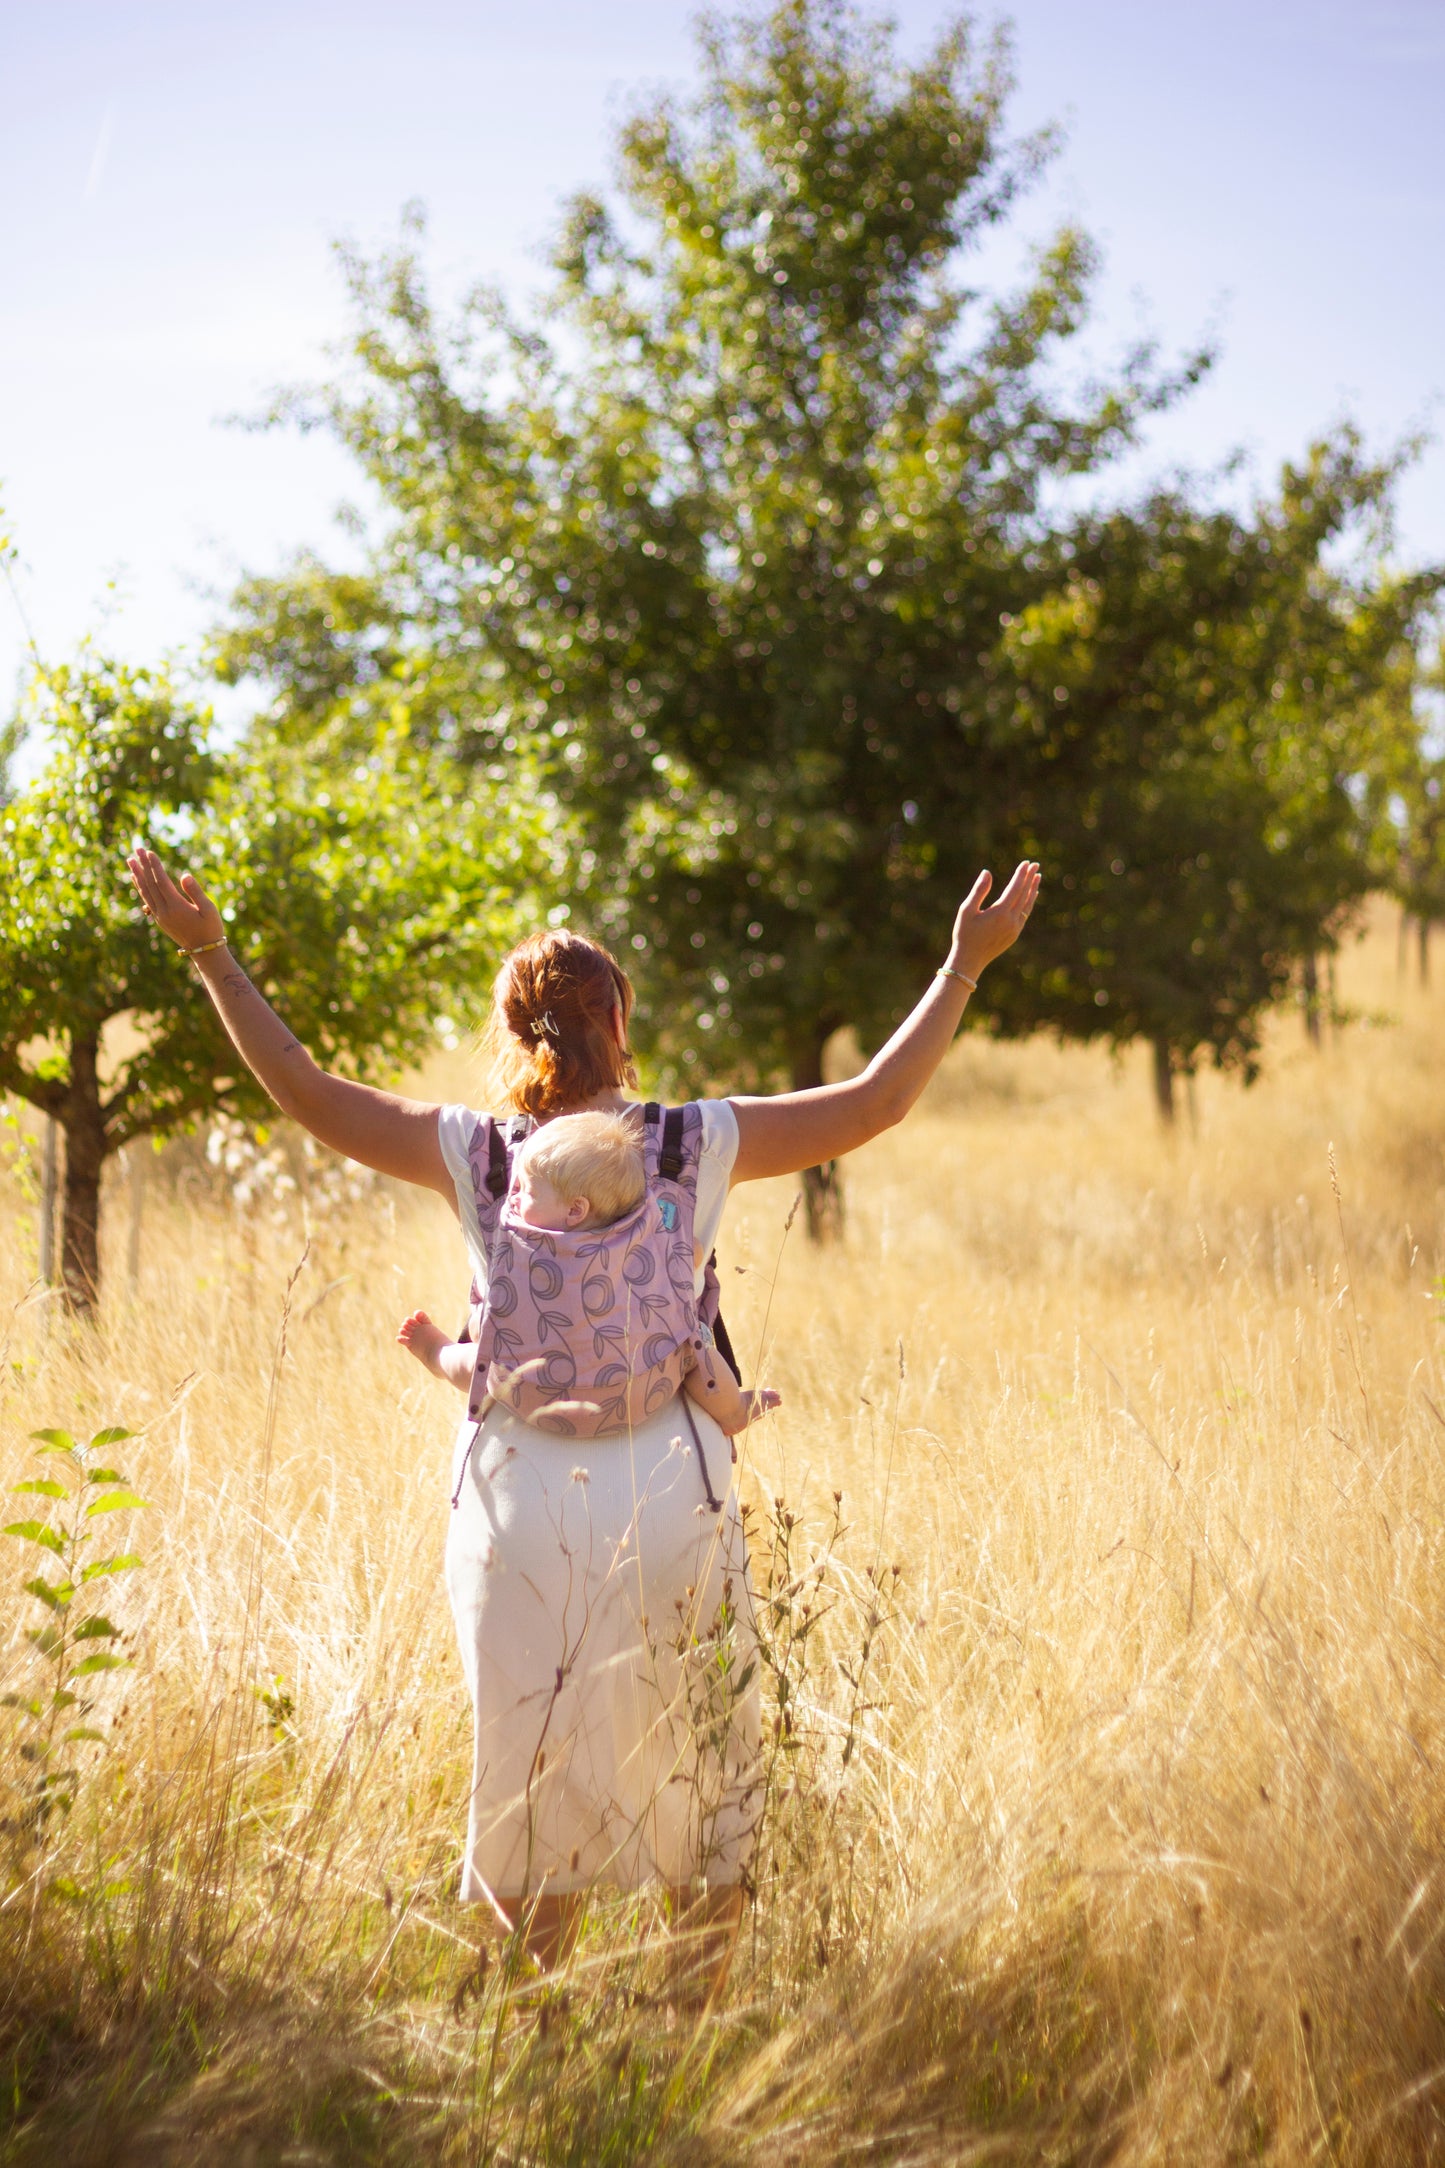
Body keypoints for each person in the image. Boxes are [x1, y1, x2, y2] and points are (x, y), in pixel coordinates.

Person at [124, 844, 1040, 1990]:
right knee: (702, 1773)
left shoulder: (475, 1151)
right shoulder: (697, 1138)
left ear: (519, 1032)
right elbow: (875, 1103)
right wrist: (961, 965)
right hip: (674, 1493)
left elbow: (308, 1091)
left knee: (526, 1777)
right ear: (616, 1014)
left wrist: (211, 954)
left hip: (515, 1506)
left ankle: (536, 2046)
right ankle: (687, 2042)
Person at [396, 1107, 781, 1438]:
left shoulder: (515, 1245)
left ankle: (435, 1351)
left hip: (527, 1395)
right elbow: (691, 1254)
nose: (513, 1197)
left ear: (575, 1210)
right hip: (641, 1391)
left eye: (526, 1189)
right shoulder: (648, 1240)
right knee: (696, 1348)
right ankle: (732, 1412)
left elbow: (493, 1310)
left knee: (479, 1353)